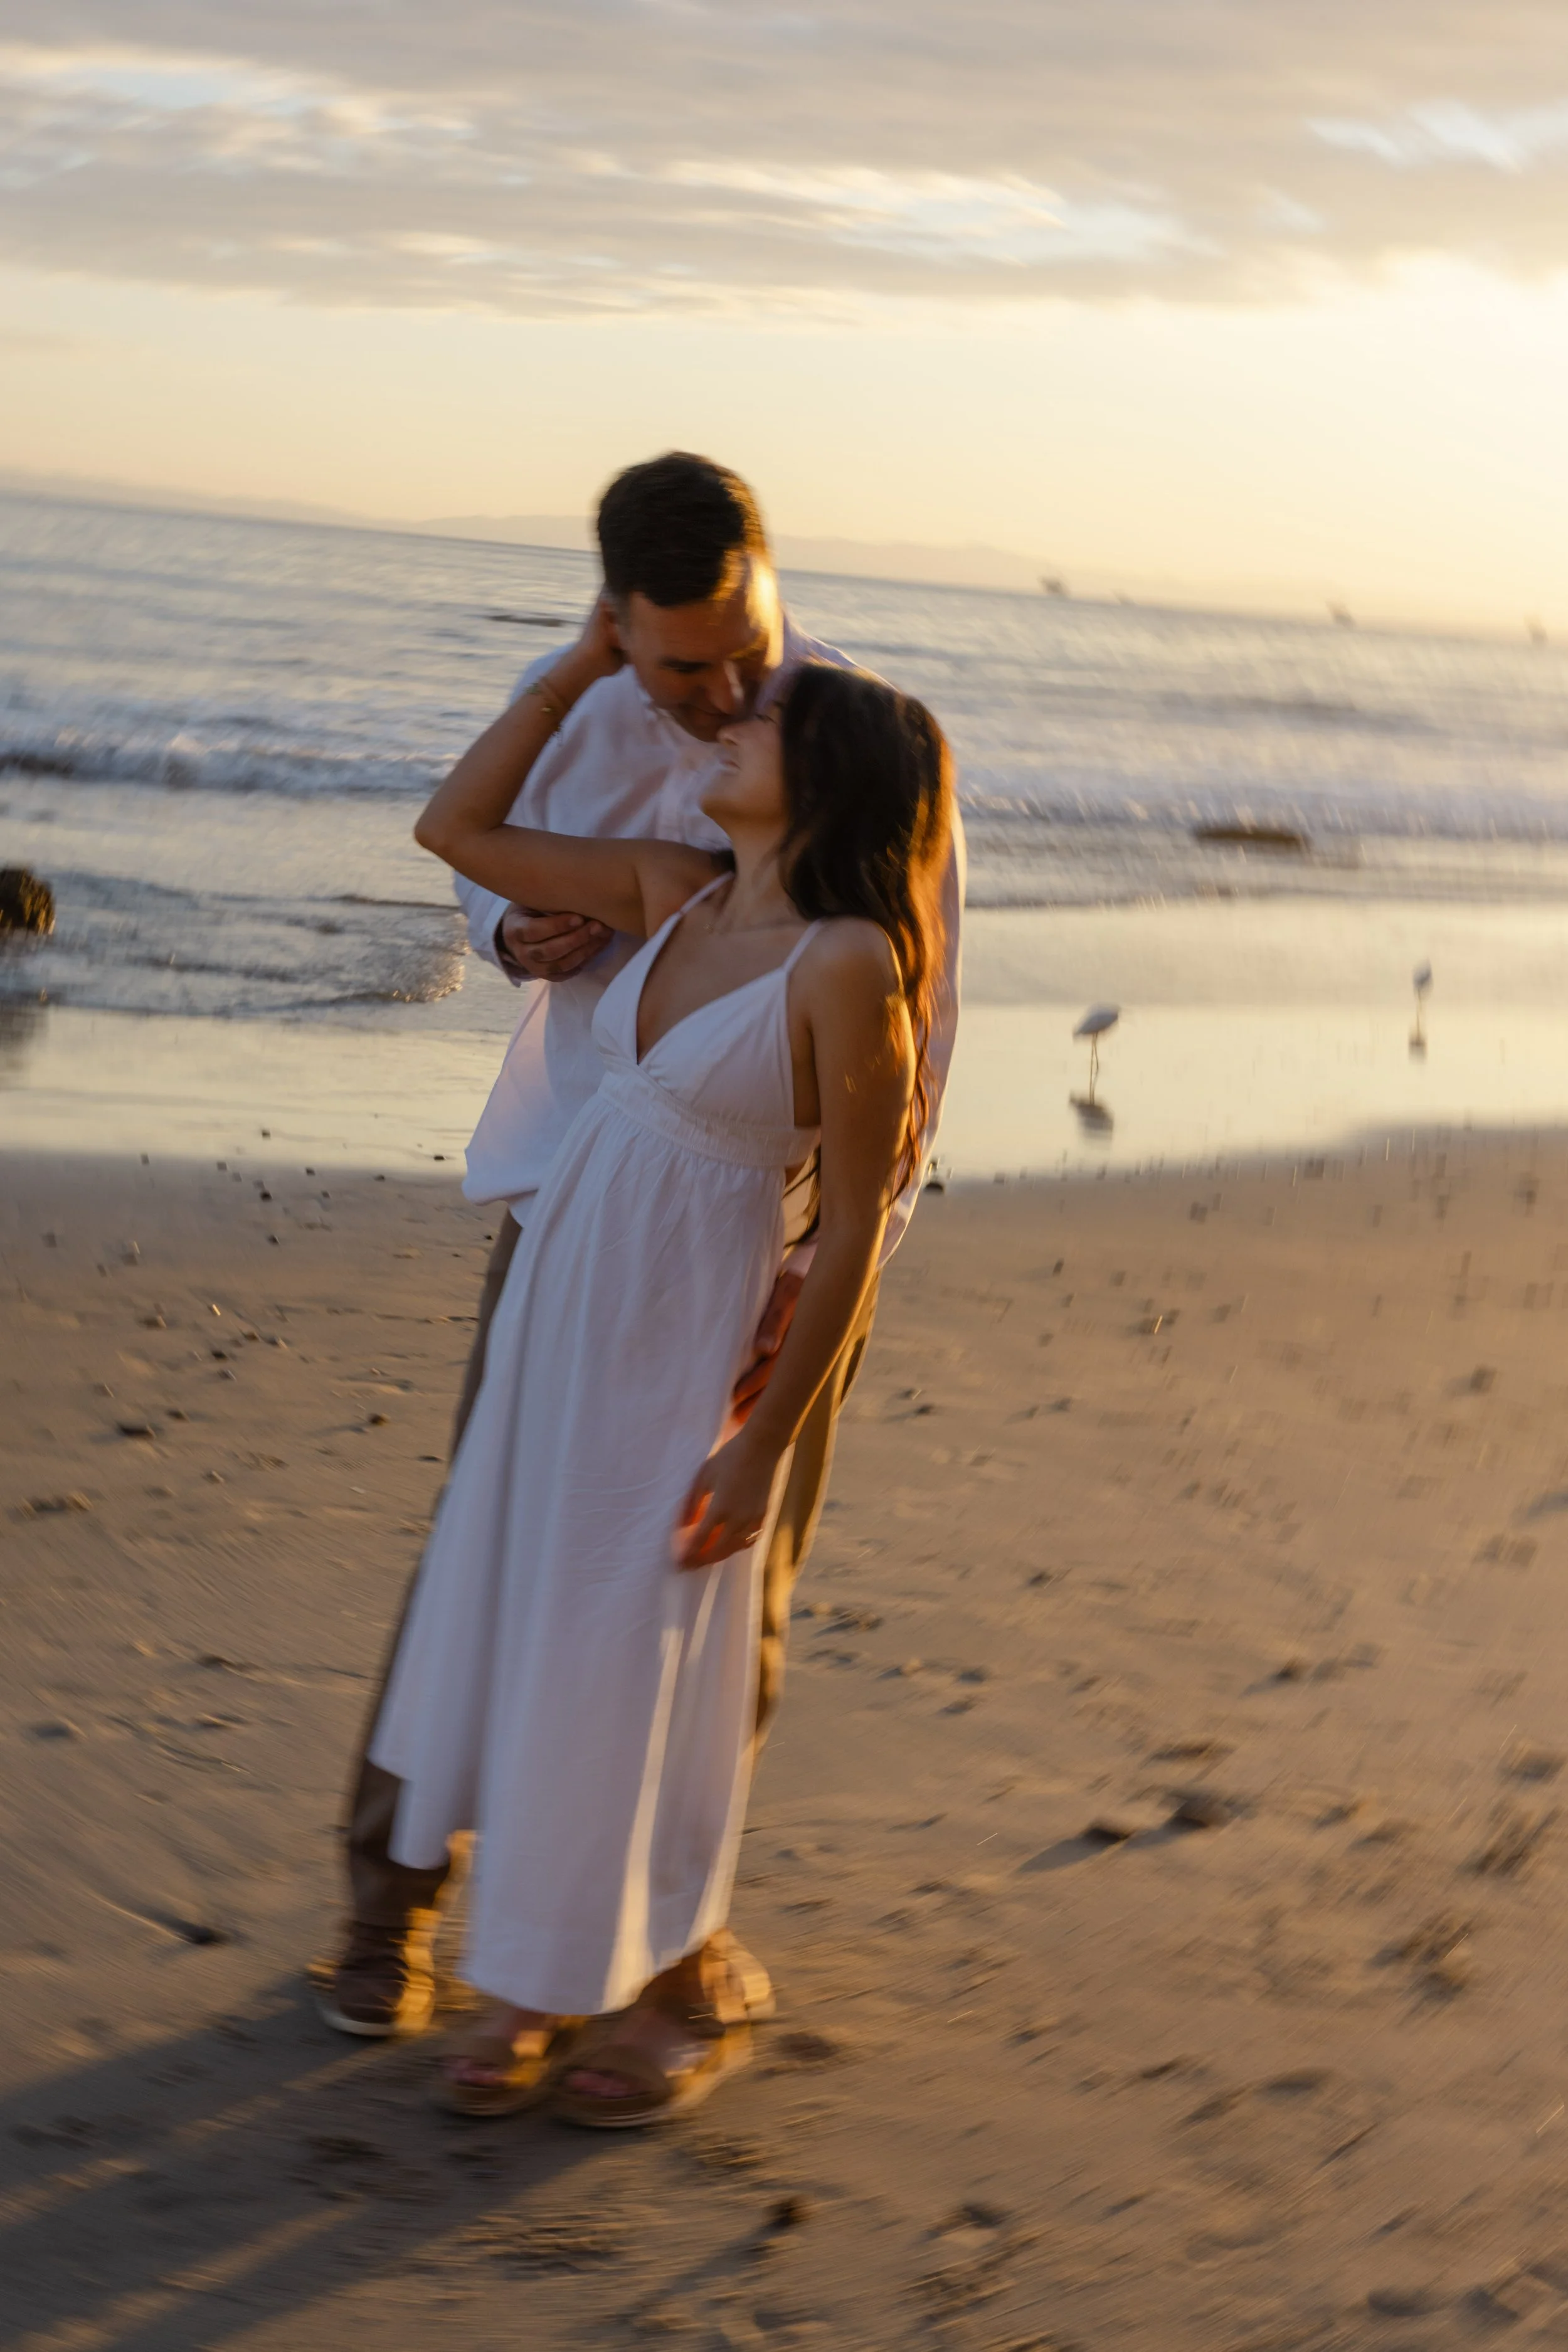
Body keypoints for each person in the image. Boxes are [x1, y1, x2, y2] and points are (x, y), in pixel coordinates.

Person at [313, 453, 963, 2045]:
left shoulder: (852, 739)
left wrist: (831, 1257)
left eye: (745, 646)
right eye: (688, 664)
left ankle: (666, 1925)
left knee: (726, 1583)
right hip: (577, 1200)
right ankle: (391, 1903)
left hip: (769, 1232)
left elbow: (917, 1005)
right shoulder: (597, 710)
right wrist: (507, 935)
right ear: (616, 621)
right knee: (505, 1540)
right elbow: (475, 864)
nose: (728, 685)